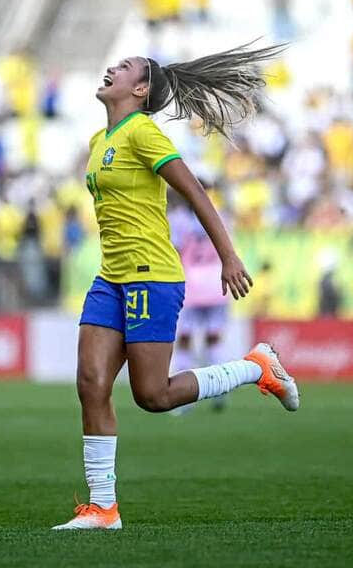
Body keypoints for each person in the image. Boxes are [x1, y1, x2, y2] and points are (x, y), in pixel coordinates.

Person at [52, 43, 300, 531]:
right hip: (111, 277)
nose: (112, 69)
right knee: (90, 384)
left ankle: (255, 367)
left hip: (152, 275)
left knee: (153, 395)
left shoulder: (143, 132)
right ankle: (103, 509)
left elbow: (193, 191)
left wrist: (229, 255)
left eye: (123, 68)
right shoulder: (99, 139)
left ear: (140, 89)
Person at [169, 202, 233, 413]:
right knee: (214, 337)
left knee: (185, 339)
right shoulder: (218, 214)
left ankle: (183, 398)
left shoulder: (178, 218)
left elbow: (175, 252)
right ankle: (221, 389)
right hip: (216, 283)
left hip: (191, 284)